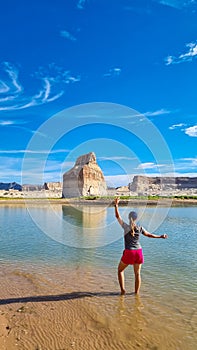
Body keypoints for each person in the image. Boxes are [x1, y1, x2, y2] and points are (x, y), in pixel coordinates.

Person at [114, 197, 168, 295]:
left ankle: (122, 291)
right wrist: (161, 236)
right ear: (136, 219)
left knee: (120, 271)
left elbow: (117, 216)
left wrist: (116, 205)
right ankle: (136, 293)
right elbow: (150, 235)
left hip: (129, 252)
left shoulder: (126, 227)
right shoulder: (140, 228)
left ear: (129, 218)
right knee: (137, 274)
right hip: (138, 252)